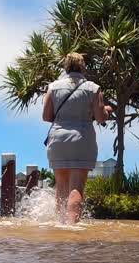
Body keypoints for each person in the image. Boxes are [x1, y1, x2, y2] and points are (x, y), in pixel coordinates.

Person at [42, 53, 112, 223]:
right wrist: (107, 110)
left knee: (61, 187)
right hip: (81, 139)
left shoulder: (53, 87)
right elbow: (100, 117)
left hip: (57, 139)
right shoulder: (93, 88)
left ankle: (60, 225)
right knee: (76, 187)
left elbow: (46, 116)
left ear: (65, 66)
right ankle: (73, 228)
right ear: (83, 66)